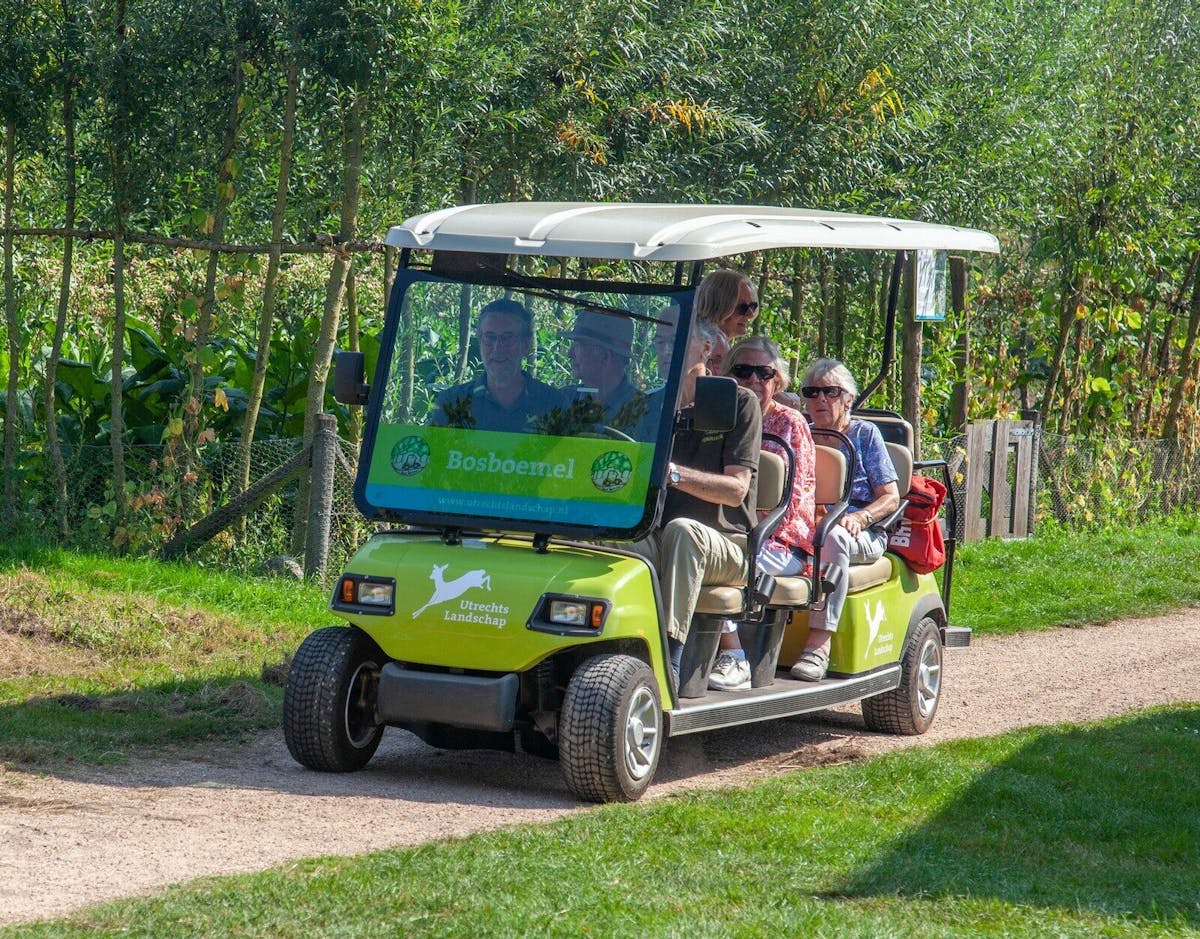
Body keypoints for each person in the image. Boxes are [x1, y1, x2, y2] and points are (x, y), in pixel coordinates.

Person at [630, 318, 762, 685]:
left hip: (727, 546)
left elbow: (737, 489)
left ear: (706, 350)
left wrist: (671, 473)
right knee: (606, 540)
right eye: (658, 341)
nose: (663, 350)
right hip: (658, 536)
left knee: (683, 532)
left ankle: (670, 662)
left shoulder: (739, 402)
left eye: (673, 341)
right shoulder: (650, 406)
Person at [708, 337, 817, 691]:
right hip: (726, 527)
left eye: (763, 373)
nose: (753, 380)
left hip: (779, 539)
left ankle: (735, 656)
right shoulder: (719, 416)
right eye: (743, 371)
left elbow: (796, 496)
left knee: (718, 560)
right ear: (729, 375)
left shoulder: (790, 424)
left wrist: (748, 531)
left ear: (777, 381)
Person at [792, 357, 900, 681]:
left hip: (859, 531)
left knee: (834, 536)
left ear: (848, 399)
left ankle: (818, 645)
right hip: (807, 525)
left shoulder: (866, 435)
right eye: (812, 392)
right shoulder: (802, 435)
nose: (820, 400)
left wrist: (862, 518)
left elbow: (891, 496)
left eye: (831, 392)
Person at [428, 298, 560, 432]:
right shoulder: (453, 403)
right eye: (490, 337)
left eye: (507, 338)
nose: (498, 348)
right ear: (480, 343)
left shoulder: (553, 404)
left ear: (526, 345)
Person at [559, 309, 649, 436]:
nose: (569, 354)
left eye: (578, 346)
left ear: (605, 357)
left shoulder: (645, 411)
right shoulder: (564, 400)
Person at [695, 268, 759, 342]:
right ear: (717, 308)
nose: (750, 314)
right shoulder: (695, 349)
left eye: (752, 306)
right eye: (743, 308)